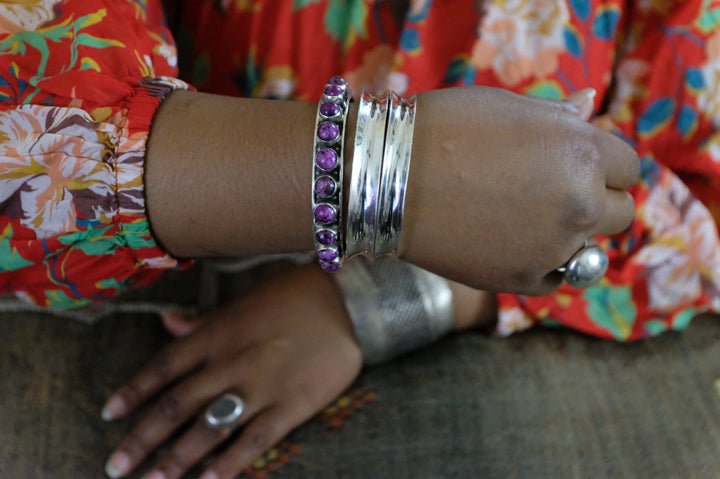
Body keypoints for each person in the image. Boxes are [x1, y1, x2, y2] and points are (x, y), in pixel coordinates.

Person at [0, 1, 717, 478]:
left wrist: (388, 296)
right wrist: (382, 175)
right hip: (133, 319)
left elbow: (700, 192)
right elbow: (23, 136)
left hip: (517, 369)